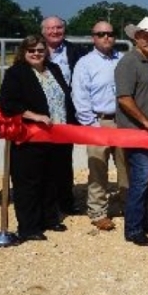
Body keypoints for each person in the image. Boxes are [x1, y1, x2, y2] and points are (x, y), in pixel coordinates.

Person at [0, 35, 75, 241]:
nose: (36, 53)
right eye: (31, 50)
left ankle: (49, 218)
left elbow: (65, 98)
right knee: (28, 182)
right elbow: (8, 104)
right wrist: (35, 116)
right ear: (24, 52)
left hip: (56, 135)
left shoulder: (54, 70)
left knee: (51, 178)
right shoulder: (16, 73)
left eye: (40, 50)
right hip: (29, 136)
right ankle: (29, 226)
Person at [71, 21, 128, 231]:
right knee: (97, 168)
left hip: (122, 120)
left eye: (110, 34)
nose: (106, 37)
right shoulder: (85, 64)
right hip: (98, 120)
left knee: (126, 168)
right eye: (101, 34)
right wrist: (92, 124)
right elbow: (80, 96)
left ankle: (129, 206)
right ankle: (98, 211)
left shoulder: (123, 60)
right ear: (93, 37)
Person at [115, 17, 148, 246]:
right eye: (146, 36)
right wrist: (145, 121)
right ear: (136, 37)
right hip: (136, 131)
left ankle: (141, 220)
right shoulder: (128, 62)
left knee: (144, 178)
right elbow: (124, 98)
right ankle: (134, 228)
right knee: (140, 179)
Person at [40, 15, 84, 216]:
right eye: (50, 28)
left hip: (66, 113)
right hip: (40, 113)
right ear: (43, 31)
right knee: (42, 158)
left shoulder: (76, 51)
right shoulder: (35, 50)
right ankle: (45, 201)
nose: (55, 31)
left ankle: (65, 201)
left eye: (58, 27)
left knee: (64, 160)